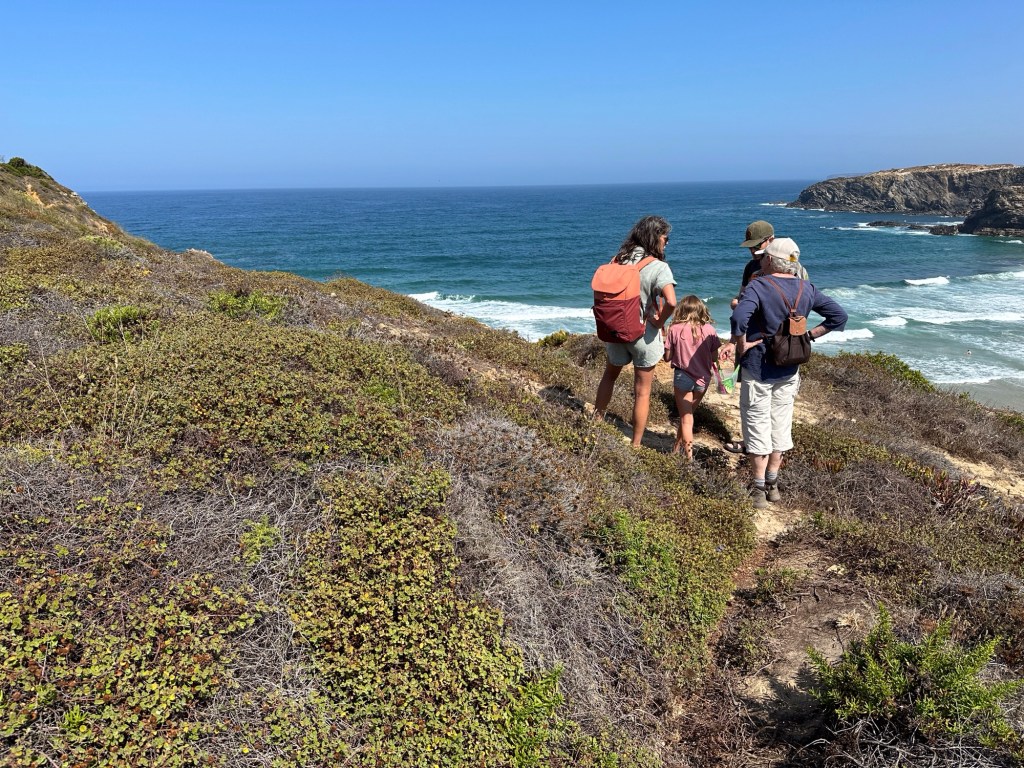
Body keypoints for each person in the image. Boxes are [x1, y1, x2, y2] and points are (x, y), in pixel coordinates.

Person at [722, 237, 847, 509]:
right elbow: (839, 316)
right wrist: (809, 335)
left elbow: (738, 318)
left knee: (757, 425)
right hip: (790, 368)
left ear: (769, 260)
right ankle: (773, 485)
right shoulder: (806, 288)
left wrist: (741, 344)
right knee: (780, 425)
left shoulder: (759, 285)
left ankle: (757, 490)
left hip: (758, 366)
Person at [593, 215, 677, 448]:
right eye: (665, 237)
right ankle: (636, 444)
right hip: (644, 335)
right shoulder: (658, 267)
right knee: (642, 392)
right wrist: (659, 323)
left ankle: (596, 420)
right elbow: (671, 301)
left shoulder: (617, 260)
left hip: (616, 330)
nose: (667, 242)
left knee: (609, 377)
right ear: (654, 237)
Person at [663, 295, 721, 460]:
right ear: (701, 310)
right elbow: (715, 357)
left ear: (682, 309)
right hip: (703, 379)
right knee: (687, 416)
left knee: (686, 419)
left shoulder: (675, 329)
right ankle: (676, 448)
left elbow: (667, 357)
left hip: (683, 377)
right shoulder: (709, 329)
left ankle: (689, 460)